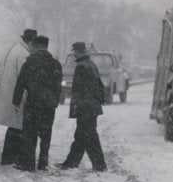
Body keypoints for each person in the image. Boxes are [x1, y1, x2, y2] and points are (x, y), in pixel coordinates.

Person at [12, 35, 62, 171]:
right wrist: (55, 101)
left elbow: (20, 83)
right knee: (46, 134)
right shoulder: (55, 63)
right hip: (49, 104)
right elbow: (58, 86)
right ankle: (43, 162)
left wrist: (16, 101)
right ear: (46, 46)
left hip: (33, 102)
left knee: (30, 133)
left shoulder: (30, 62)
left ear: (36, 45)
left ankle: (28, 163)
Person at [0, 28, 38, 165]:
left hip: (11, 93)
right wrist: (25, 97)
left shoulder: (15, 50)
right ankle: (12, 157)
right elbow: (24, 78)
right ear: (30, 42)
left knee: (14, 127)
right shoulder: (23, 55)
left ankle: (9, 156)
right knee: (18, 127)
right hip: (18, 95)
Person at [58, 42, 108, 172]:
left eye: (74, 51)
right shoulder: (91, 64)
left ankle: (99, 165)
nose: (73, 53)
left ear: (78, 52)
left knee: (89, 136)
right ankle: (71, 162)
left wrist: (78, 107)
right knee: (81, 135)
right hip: (92, 106)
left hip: (86, 107)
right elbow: (99, 85)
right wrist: (98, 101)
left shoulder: (81, 66)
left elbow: (79, 90)